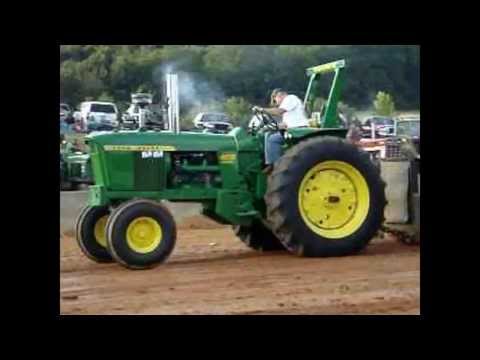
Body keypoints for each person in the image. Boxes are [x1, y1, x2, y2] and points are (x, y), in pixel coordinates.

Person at [253, 89, 309, 174]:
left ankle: (276, 166)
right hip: (292, 128)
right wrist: (268, 127)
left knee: (273, 139)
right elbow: (285, 124)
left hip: (298, 129)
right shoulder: (290, 106)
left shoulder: (290, 98)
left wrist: (262, 110)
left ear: (280, 95)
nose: (278, 104)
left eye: (276, 101)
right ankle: (268, 162)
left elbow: (279, 112)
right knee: (268, 135)